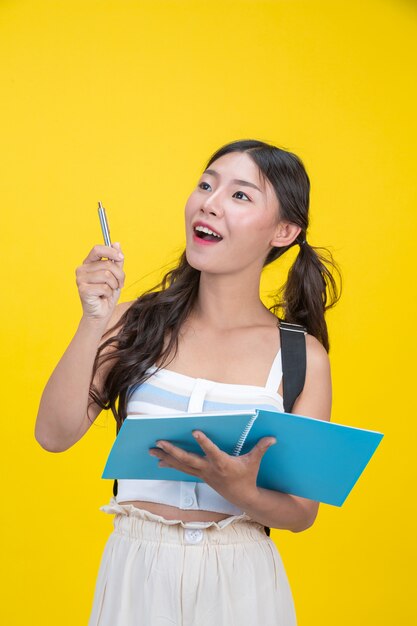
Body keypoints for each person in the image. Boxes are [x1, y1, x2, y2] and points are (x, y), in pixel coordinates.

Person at [35, 139, 340, 626]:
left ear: (284, 231)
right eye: (205, 184)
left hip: (243, 582)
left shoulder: (301, 356)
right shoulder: (129, 323)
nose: (210, 203)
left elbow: (302, 512)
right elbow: (53, 435)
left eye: (240, 195)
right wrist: (93, 320)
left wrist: (238, 488)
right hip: (137, 571)